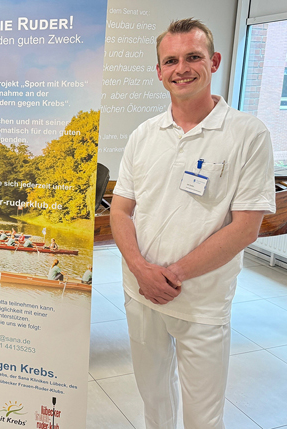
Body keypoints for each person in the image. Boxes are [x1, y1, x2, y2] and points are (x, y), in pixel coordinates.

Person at [110, 19, 275, 429]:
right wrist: (141, 270)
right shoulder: (144, 135)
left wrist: (171, 276)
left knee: (203, 416)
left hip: (202, 302)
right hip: (139, 292)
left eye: (193, 57)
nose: (182, 68)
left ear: (214, 61)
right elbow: (120, 210)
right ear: (159, 71)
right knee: (154, 401)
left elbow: (245, 227)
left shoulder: (247, 135)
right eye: (171, 60)